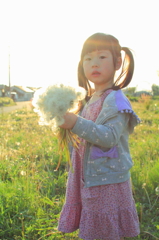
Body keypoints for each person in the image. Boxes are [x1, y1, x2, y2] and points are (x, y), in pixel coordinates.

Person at [58, 32, 140, 240]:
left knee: (104, 231)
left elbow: (109, 137)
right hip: (90, 177)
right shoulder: (90, 99)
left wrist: (75, 123)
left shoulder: (116, 100)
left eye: (102, 57)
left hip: (107, 181)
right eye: (88, 58)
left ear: (117, 62)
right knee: (95, 230)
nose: (94, 63)